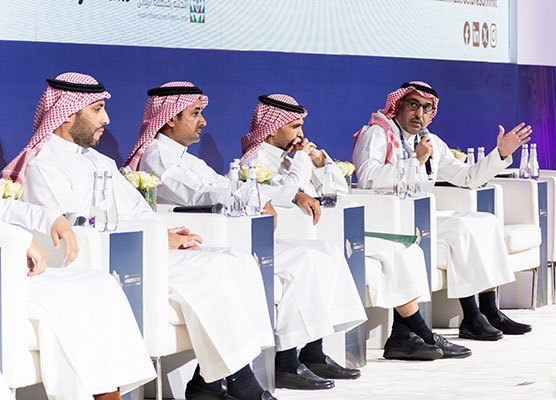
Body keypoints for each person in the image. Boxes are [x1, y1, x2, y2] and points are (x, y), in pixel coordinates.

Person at [4, 73, 276, 400]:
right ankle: (240, 384)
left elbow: (139, 211)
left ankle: (214, 381)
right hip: (108, 257)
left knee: (234, 260)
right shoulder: (43, 164)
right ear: (67, 115)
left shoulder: (101, 161)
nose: (107, 119)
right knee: (204, 273)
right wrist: (155, 240)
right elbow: (77, 228)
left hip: (141, 248)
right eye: (97, 109)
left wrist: (160, 234)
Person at [122, 82, 367, 391]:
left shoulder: (189, 159)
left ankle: (310, 352)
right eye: (196, 113)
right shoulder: (157, 155)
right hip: (207, 236)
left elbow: (222, 185)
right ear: (170, 117)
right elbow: (199, 195)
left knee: (325, 251)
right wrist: (260, 195)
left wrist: (272, 193)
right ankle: (281, 362)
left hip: (232, 232)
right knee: (298, 259)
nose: (203, 121)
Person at [239, 94, 471, 360]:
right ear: (272, 129)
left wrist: (320, 162)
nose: (301, 134)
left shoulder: (290, 157)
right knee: (392, 254)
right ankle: (421, 334)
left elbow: (340, 188)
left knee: (406, 249)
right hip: (305, 236)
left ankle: (404, 335)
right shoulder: (255, 161)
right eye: (295, 127)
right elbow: (289, 192)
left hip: (330, 228)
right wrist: (302, 161)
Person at [352, 81, 534, 340]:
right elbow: (367, 177)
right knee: (461, 228)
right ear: (398, 105)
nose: (419, 114)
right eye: (413, 105)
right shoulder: (377, 134)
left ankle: (490, 310)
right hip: (388, 219)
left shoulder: (431, 142)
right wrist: (417, 160)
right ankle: (471, 317)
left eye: (426, 108)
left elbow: (467, 177)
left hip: (420, 215)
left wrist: (501, 154)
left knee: (486, 221)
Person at [0, 197, 156, 400]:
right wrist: (19, 239)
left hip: (13, 268)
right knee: (61, 297)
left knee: (102, 284)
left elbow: (4, 206)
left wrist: (52, 219)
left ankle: (109, 392)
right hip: (7, 273)